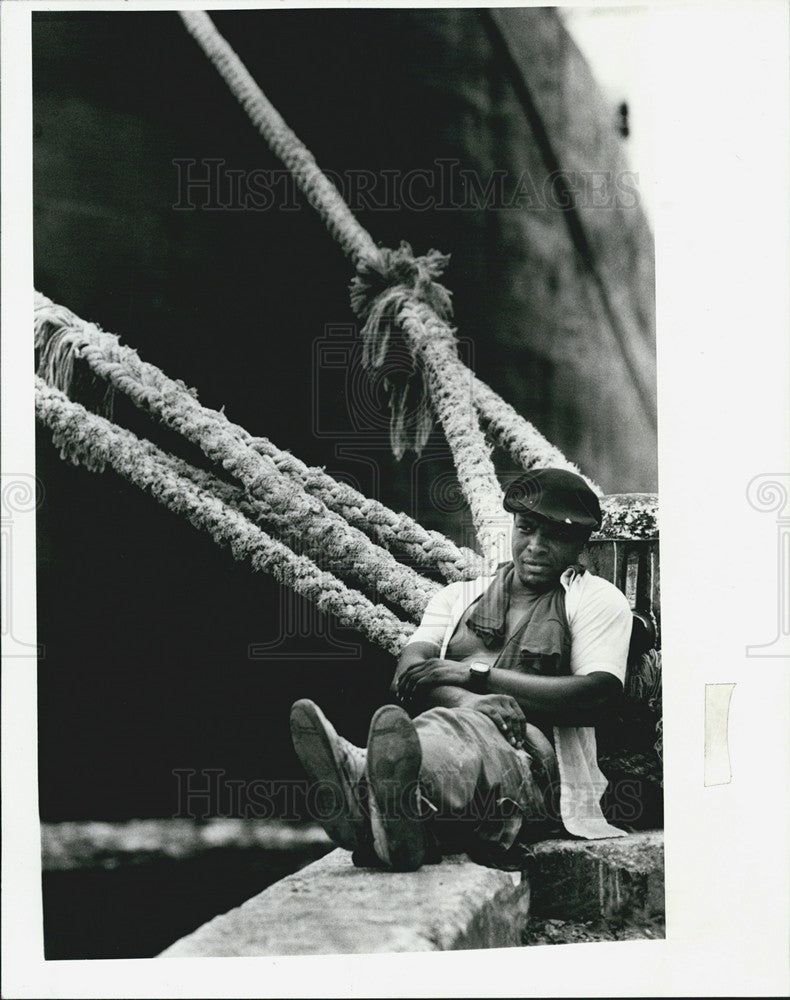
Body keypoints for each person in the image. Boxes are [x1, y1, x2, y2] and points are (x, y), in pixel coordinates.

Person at [290, 468, 633, 872]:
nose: (535, 547)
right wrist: (478, 701)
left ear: (579, 543)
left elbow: (597, 696)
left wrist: (472, 674)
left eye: (554, 536)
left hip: (538, 770)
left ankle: (363, 779)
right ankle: (398, 820)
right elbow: (408, 675)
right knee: (448, 730)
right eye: (526, 529)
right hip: (455, 743)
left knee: (462, 734)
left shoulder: (594, 599)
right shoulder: (457, 597)